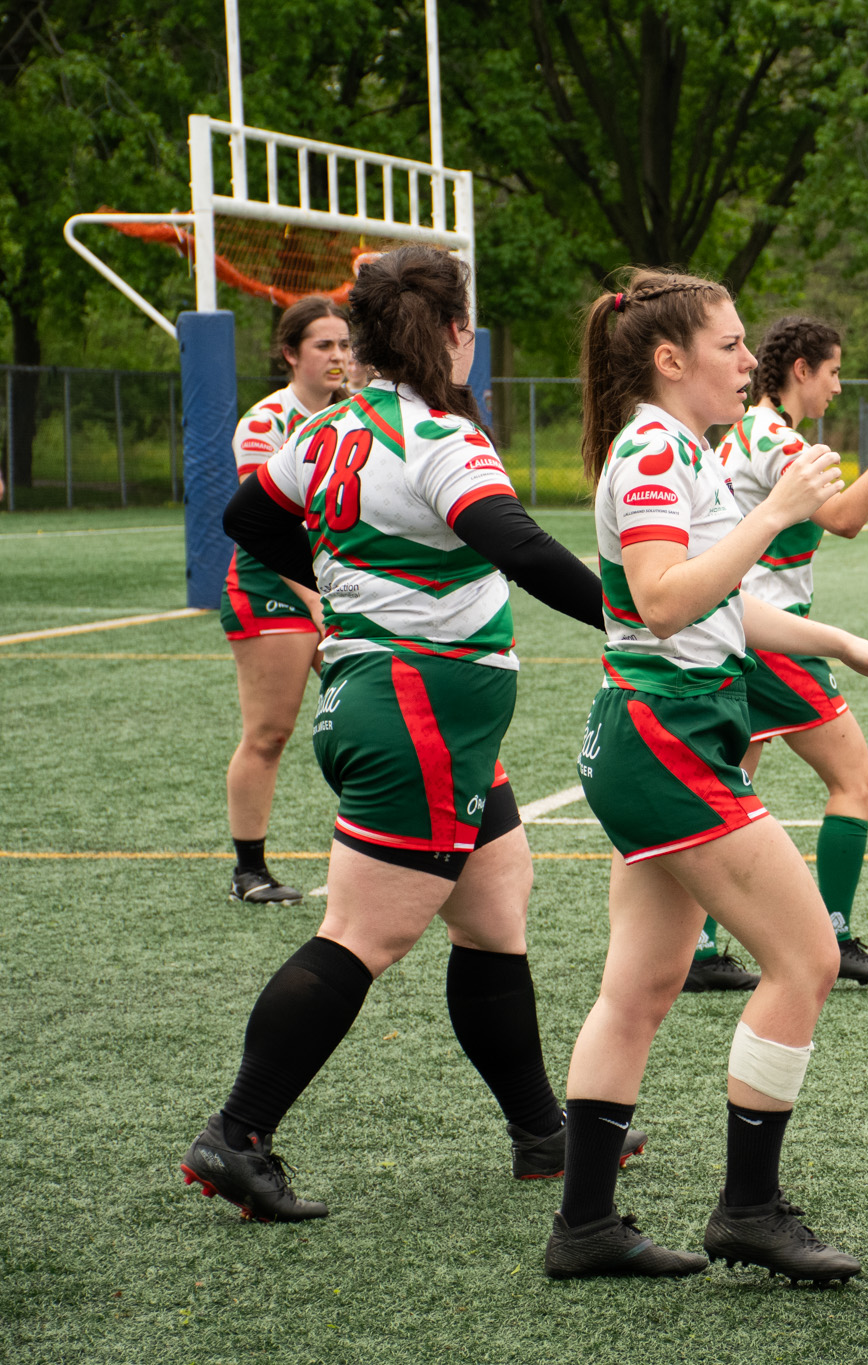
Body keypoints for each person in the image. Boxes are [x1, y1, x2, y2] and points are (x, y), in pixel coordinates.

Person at [183, 247, 634, 1222]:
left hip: (412, 711)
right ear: (451, 336)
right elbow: (511, 542)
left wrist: (347, 583)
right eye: (467, 328)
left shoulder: (329, 430)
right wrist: (631, 617)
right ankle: (237, 1134)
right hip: (415, 713)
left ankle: (539, 1134)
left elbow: (243, 515)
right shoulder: (440, 439)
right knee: (360, 936)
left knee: (494, 910)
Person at [542, 269, 868, 1285]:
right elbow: (666, 602)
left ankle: (584, 1225)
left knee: (641, 985)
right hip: (665, 735)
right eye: (729, 344)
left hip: (659, 732)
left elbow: (720, 607)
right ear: (669, 360)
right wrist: (775, 515)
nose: (747, 360)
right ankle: (747, 1208)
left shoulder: (682, 451)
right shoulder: (656, 457)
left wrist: (841, 640)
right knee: (806, 961)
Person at [708, 315, 868, 987]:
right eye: (831, 371)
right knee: (855, 779)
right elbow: (847, 518)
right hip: (771, 635)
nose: (836, 386)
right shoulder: (774, 437)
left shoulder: (740, 434)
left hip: (736, 627)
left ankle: (696, 950)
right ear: (801, 368)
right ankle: (836, 935)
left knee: (725, 791)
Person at [219, 297, 351, 904]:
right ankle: (249, 869)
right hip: (272, 584)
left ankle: (386, 847)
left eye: (345, 345)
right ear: (290, 354)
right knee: (270, 732)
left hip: (331, 584)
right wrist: (321, 600)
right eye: (324, 345)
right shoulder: (265, 423)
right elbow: (272, 530)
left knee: (375, 707)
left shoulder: (351, 415)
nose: (339, 356)